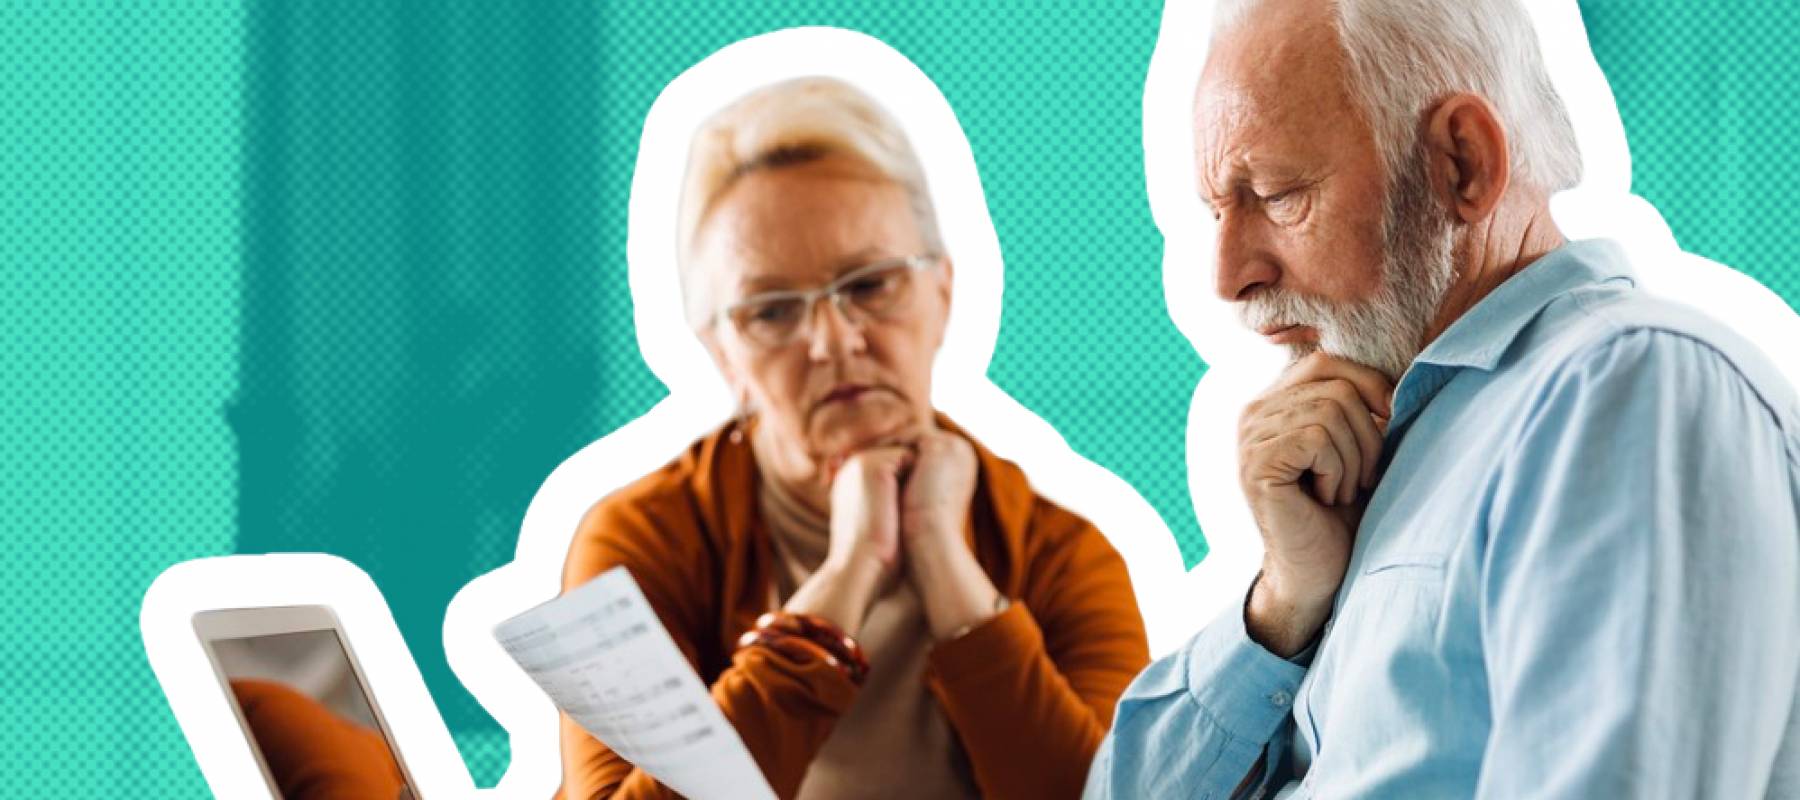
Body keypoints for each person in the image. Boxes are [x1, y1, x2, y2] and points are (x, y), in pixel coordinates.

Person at [1085, 0, 1800, 797]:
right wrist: (1284, 603)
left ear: (1461, 164)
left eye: (1279, 195)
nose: (1228, 278)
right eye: (1219, 210)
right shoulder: (1384, 453)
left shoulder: (1630, 390)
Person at [558, 76, 1149, 800]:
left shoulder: (1062, 555)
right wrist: (845, 577)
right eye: (772, 311)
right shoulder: (643, 540)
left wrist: (944, 560)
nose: (832, 341)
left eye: (869, 285)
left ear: (944, 293)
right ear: (723, 356)